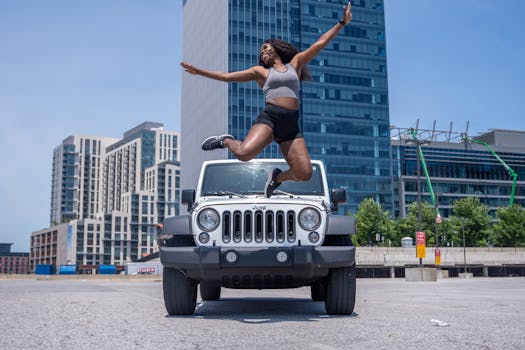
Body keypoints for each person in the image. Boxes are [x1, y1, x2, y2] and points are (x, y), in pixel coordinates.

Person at [181, 1, 352, 198]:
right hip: (270, 119)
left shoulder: (295, 64)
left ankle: (277, 178)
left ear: (276, 49)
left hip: (290, 124)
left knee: (305, 173)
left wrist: (342, 22)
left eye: (265, 47)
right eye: (261, 51)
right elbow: (227, 76)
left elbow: (320, 43)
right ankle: (227, 140)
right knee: (244, 154)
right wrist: (198, 71)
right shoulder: (260, 72)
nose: (262, 51)